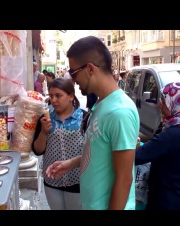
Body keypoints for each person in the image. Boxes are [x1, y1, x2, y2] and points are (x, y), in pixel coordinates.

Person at [46, 36, 140, 210]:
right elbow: (101, 152)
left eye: (73, 73)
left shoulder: (120, 112)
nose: (72, 80)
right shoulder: (101, 104)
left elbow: (124, 179)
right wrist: (71, 163)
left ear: (90, 69)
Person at [135, 82, 180, 210]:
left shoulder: (173, 134)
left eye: (164, 101)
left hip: (172, 202)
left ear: (176, 104)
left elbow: (137, 157)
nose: (160, 105)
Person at [31, 77, 89, 210]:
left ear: (71, 96)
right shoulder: (45, 118)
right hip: (52, 180)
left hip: (78, 180)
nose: (54, 100)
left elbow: (92, 150)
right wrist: (44, 132)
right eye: (51, 96)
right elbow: (38, 150)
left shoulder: (85, 118)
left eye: (58, 95)